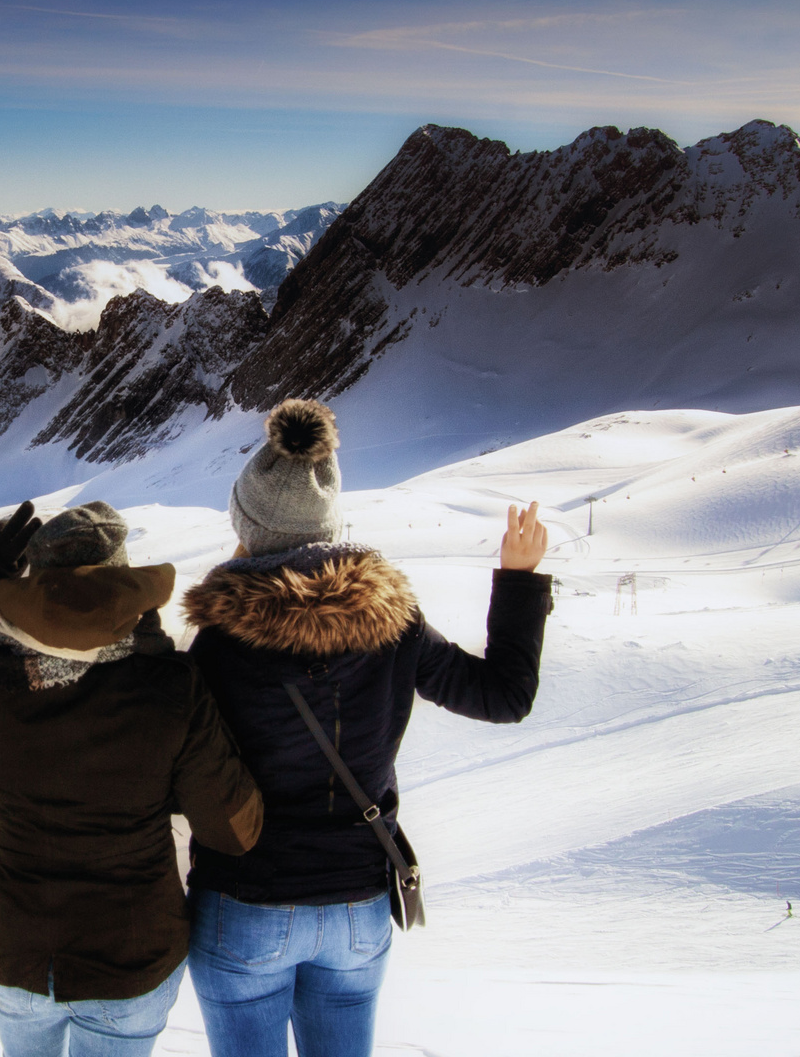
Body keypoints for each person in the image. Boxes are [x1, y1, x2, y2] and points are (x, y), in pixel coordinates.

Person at [179, 399, 553, 1057]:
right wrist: (519, 582)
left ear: (245, 521)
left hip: (245, 901)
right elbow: (504, 696)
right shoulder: (393, 622)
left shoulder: (218, 641)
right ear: (333, 524)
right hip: (356, 904)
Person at [0, 499, 265, 1057]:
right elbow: (233, 831)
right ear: (125, 585)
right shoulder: (170, 686)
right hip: (129, 960)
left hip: (13, 952)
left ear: (35, 582)